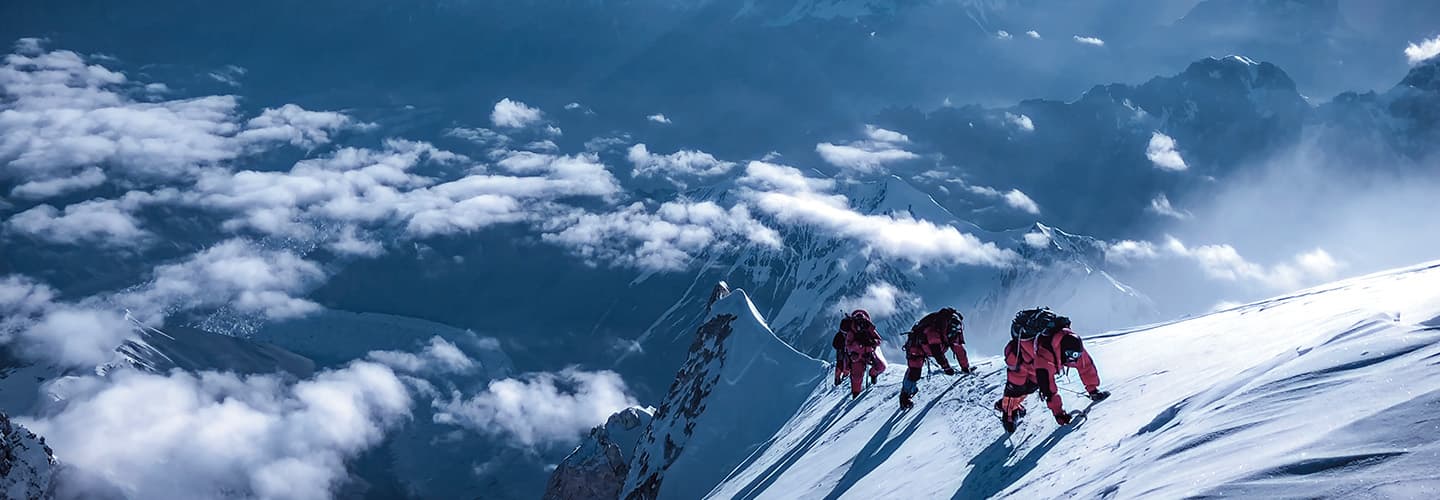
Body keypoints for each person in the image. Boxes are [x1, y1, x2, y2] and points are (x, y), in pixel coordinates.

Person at [994, 308, 1108, 431]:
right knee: (1015, 391)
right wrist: (1058, 414)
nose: (1072, 361)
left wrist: (1093, 390)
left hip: (1034, 364)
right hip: (1021, 364)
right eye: (1070, 358)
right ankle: (1009, 415)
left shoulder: (1073, 347)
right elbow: (1049, 390)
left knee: (1030, 388)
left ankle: (1011, 406)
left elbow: (1086, 367)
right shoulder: (1046, 355)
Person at [914, 307, 972, 375]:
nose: (956, 329)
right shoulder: (933, 332)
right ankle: (908, 384)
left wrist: (965, 367)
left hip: (934, 346)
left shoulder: (953, 333)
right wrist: (946, 368)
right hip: (918, 349)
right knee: (914, 373)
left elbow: (959, 350)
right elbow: (937, 352)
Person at [843, 309, 886, 398]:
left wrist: (873, 342)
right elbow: (847, 346)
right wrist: (857, 346)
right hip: (857, 356)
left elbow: (879, 340)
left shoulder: (868, 328)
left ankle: (873, 374)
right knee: (857, 377)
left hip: (868, 354)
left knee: (881, 367)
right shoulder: (852, 332)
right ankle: (856, 393)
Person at [832, 317, 852, 387]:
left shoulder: (839, 335)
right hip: (842, 352)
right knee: (842, 364)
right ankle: (840, 377)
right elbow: (835, 344)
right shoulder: (848, 335)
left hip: (843, 352)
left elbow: (834, 344)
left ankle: (841, 377)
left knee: (843, 364)